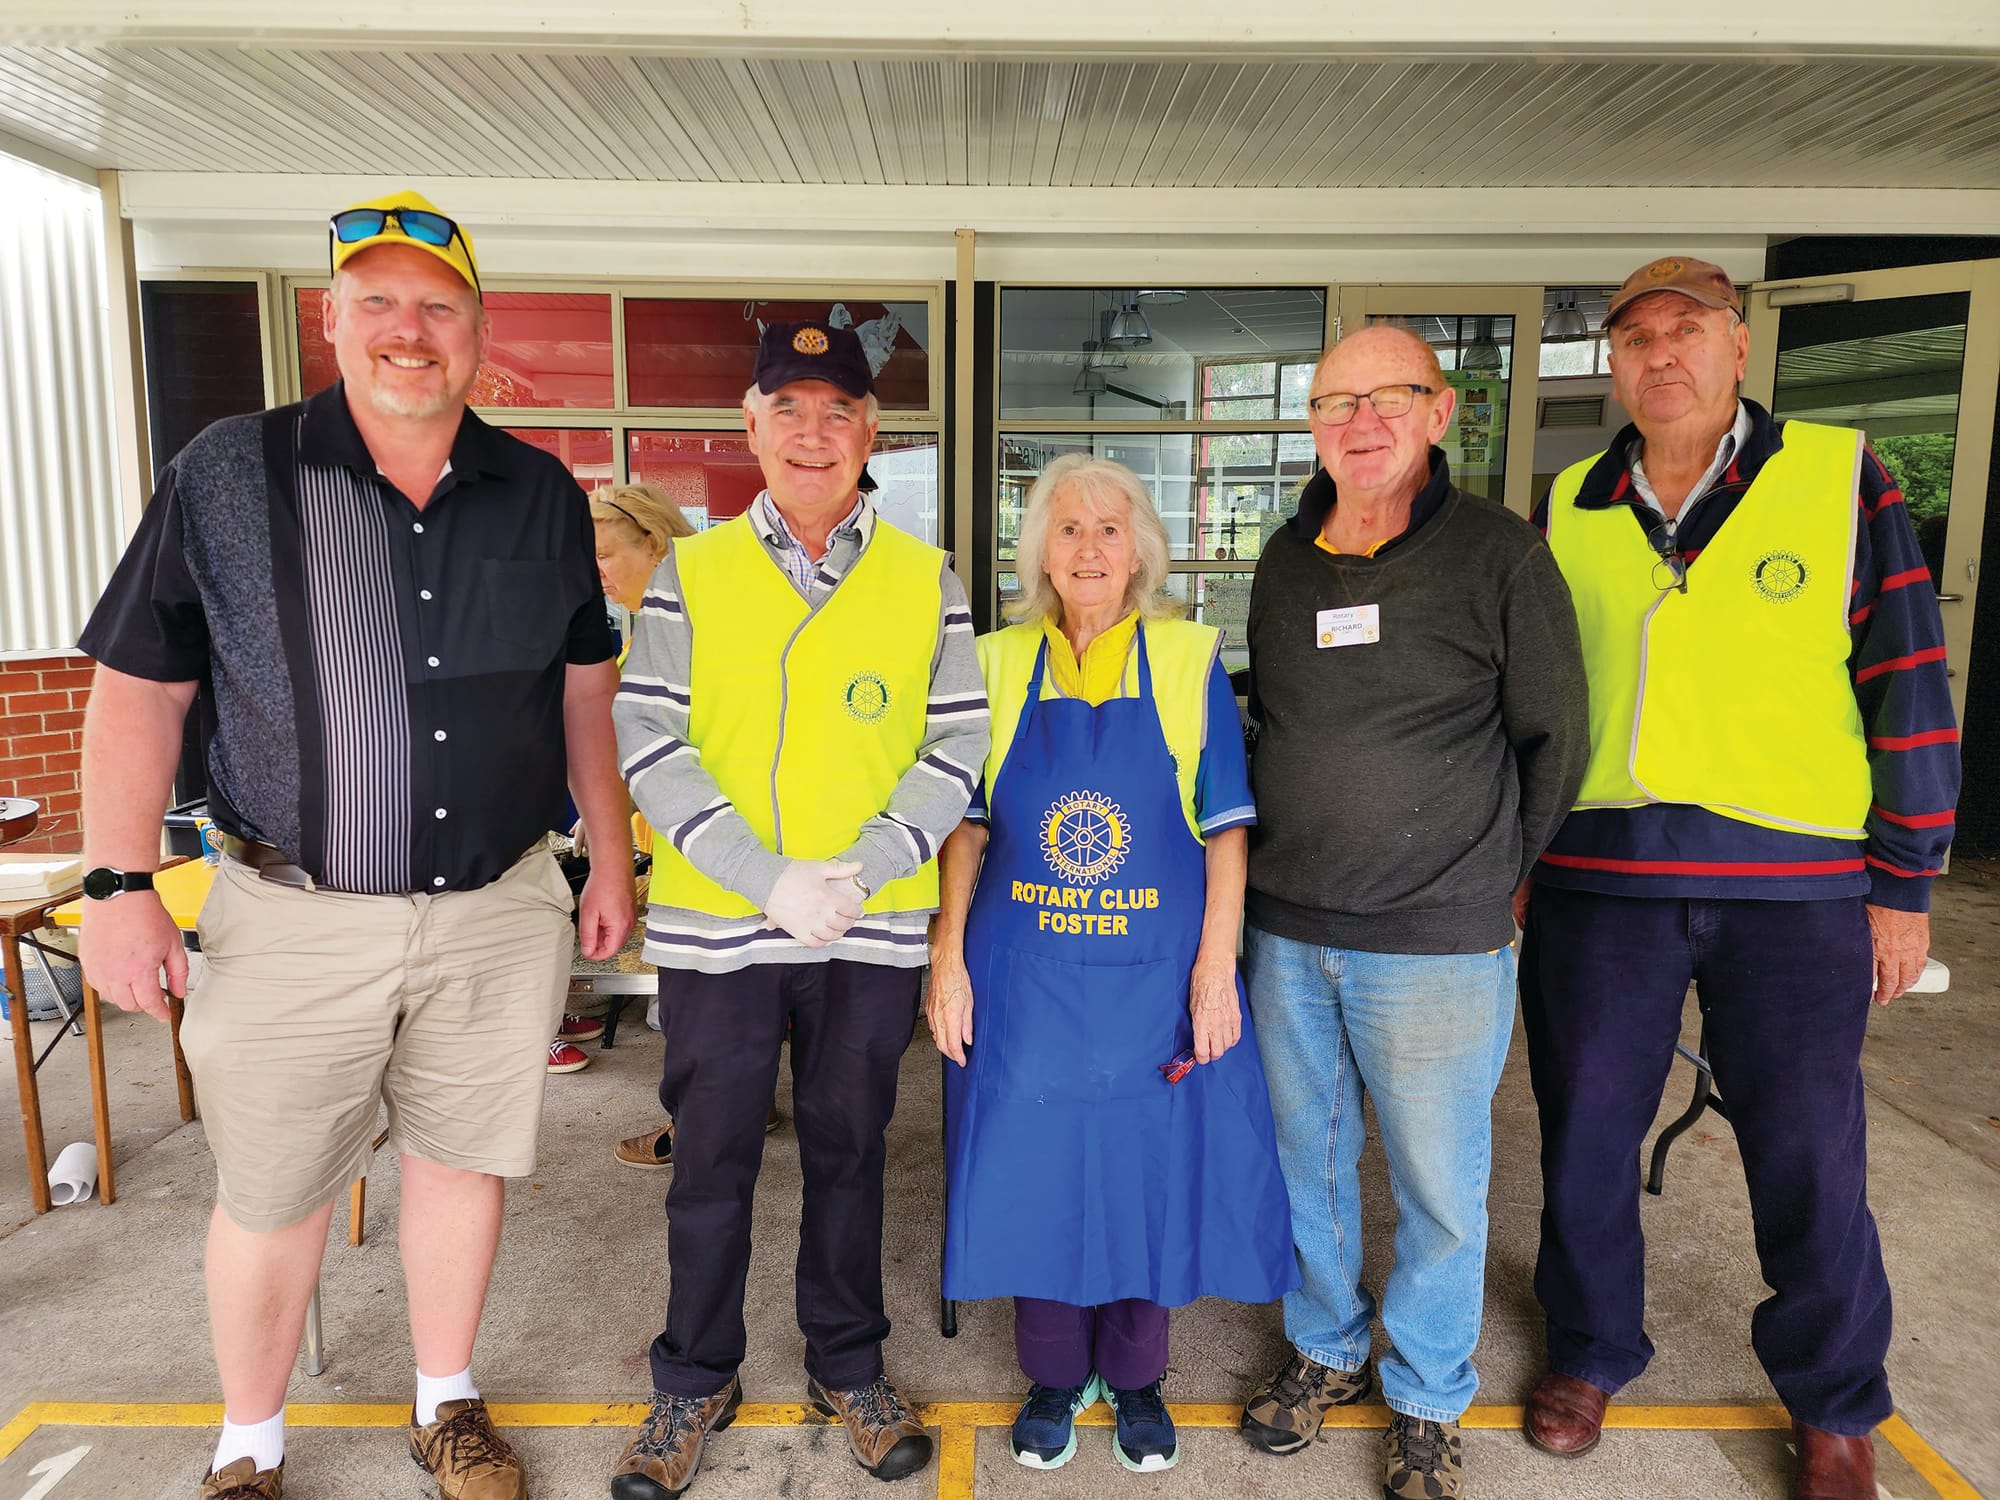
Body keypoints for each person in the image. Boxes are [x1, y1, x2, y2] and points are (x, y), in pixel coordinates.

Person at [75, 189, 634, 1500]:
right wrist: (117, 885)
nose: (407, 330)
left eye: (437, 305)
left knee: (459, 1162)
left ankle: (446, 1403)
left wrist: (605, 856)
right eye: (376, 301)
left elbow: (582, 691)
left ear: (479, 330)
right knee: (274, 1191)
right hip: (291, 913)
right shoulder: (225, 472)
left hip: (498, 904)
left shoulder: (541, 492)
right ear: (329, 318)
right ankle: (250, 1447)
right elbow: (140, 688)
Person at [1520, 255, 1959, 1500]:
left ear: (1734, 349)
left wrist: (1902, 879)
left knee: (1807, 1146)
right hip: (1598, 877)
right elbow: (1537, 700)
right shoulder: (1573, 503)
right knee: (1586, 1134)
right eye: (1634, 336)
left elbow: (1906, 681)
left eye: (1685, 330)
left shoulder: (1835, 477)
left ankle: (1831, 1403)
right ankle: (1592, 1346)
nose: (1659, 354)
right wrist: (1518, 852)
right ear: (1612, 362)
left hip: (1797, 884)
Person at [610, 319, 987, 1497]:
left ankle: (845, 1361)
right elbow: (647, 740)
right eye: (789, 409)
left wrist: (862, 871)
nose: (812, 433)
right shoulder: (693, 570)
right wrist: (762, 874)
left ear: (871, 431)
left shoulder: (923, 576)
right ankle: (692, 1378)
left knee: (848, 1147)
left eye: (837, 411)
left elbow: (957, 743)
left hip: (863, 929)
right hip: (721, 928)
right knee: (710, 1157)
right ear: (750, 426)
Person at [1237, 325, 1591, 1500]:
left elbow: (1555, 742)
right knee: (1309, 1164)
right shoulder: (1284, 557)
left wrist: (1489, 880)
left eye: (1388, 397)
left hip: (1437, 937)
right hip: (1287, 929)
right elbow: (1279, 723)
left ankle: (1429, 1393)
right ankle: (1325, 1348)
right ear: (1311, 423)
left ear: (1439, 414)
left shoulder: (1499, 555)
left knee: (1441, 1184)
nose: (1361, 420)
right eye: (1335, 399)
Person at [928, 455, 1296, 1475]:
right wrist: (946, 958)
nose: (1087, 548)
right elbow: (964, 827)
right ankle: (1052, 1374)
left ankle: (1135, 1378)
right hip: (1025, 978)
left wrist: (1215, 969)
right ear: (1038, 551)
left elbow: (1225, 827)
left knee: (1147, 1167)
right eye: (1067, 528)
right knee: (1033, 1163)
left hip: (1153, 979)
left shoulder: (1187, 659)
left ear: (1139, 547)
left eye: (1108, 527)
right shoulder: (993, 663)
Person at [542, 483, 696, 1080]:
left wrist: (617, 805)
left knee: (696, 1017)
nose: (595, 574)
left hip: (699, 857)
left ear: (655, 543)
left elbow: (679, 749)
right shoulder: (648, 633)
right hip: (669, 853)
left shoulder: (690, 630)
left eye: (604, 556)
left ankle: (697, 1129)